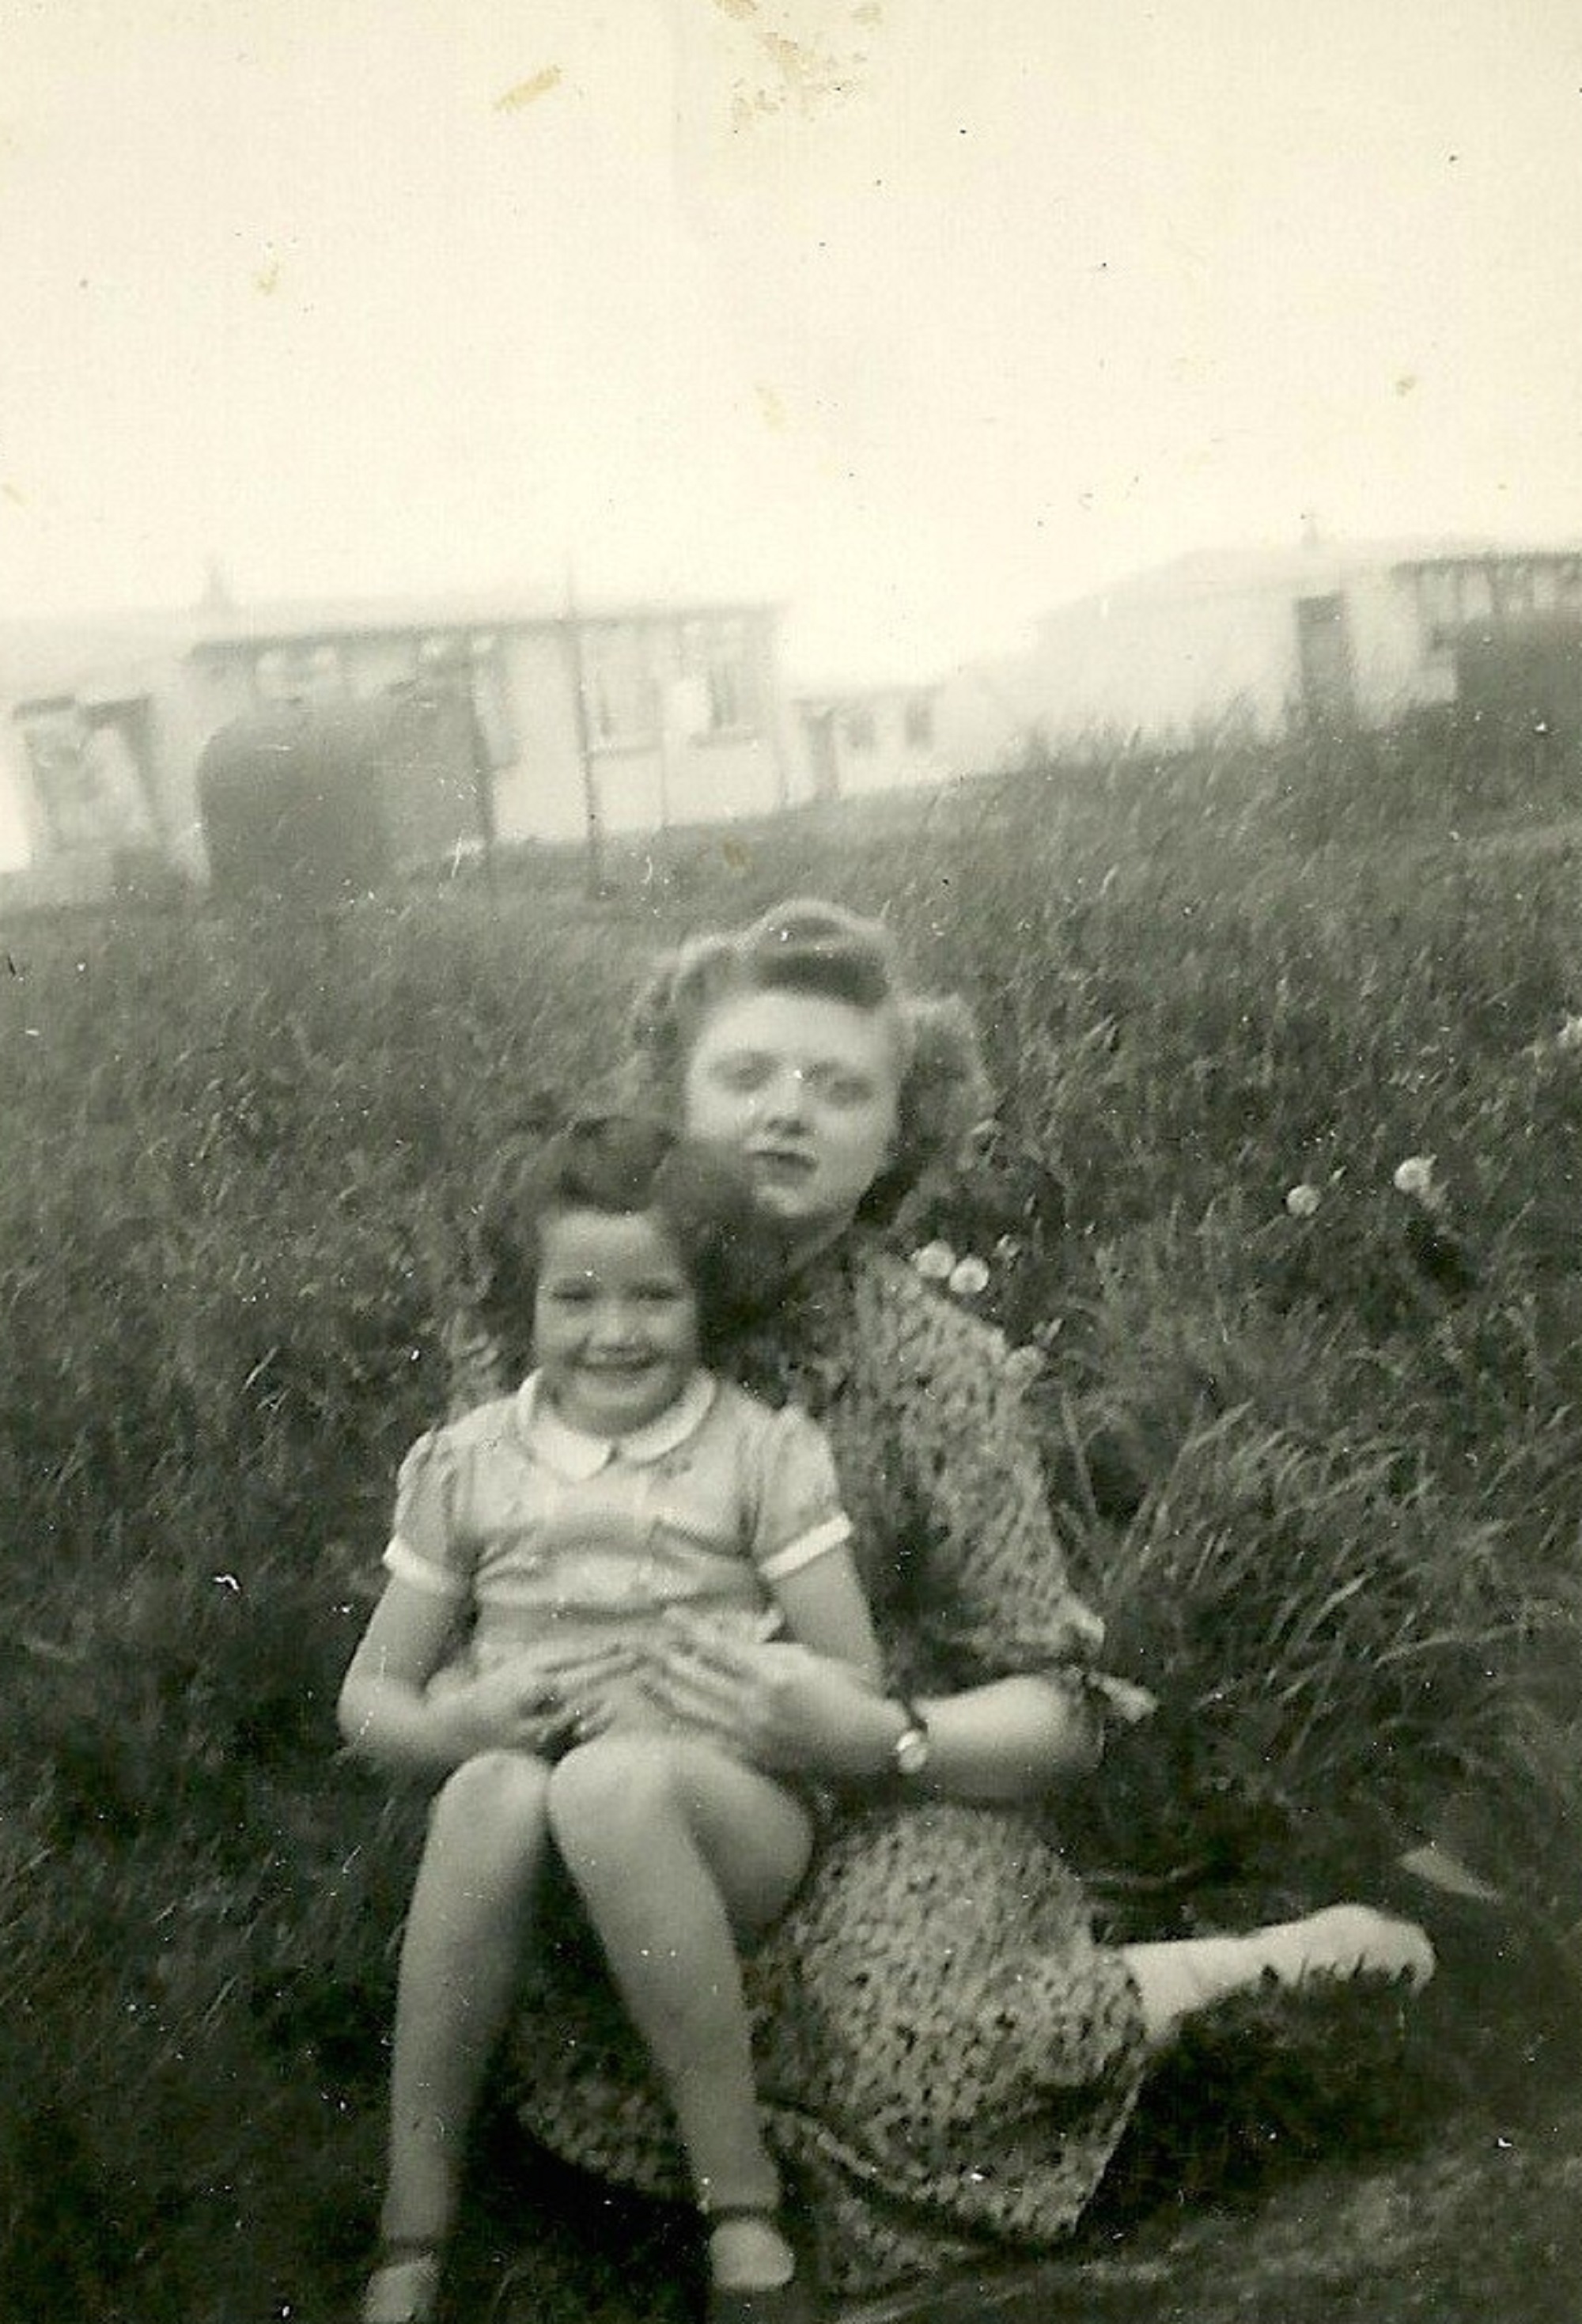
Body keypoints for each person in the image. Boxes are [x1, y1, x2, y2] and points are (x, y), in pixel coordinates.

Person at [438, 899, 1438, 2317]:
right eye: (747, 1077)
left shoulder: (937, 1364)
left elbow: (1055, 1706)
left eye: (840, 1087)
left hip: (890, 1799)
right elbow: (469, 1577)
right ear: (671, 1098)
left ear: (897, 1136)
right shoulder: (577, 1311)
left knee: (921, 2050)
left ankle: (1237, 1967)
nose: (788, 1114)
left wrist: (882, 1733)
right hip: (631, 1801)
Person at [339, 1114, 890, 2324]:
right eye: (574, 1296)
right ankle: (414, 2227)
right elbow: (370, 1698)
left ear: (711, 1300)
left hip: (723, 1819)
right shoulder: (471, 1464)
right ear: (523, 1306)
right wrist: (462, 1721)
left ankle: (740, 2210)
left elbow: (855, 1684)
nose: (614, 1331)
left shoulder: (757, 1454)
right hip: (536, 1855)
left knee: (608, 1785)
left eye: (655, 1295)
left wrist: (771, 1698)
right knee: (493, 1788)